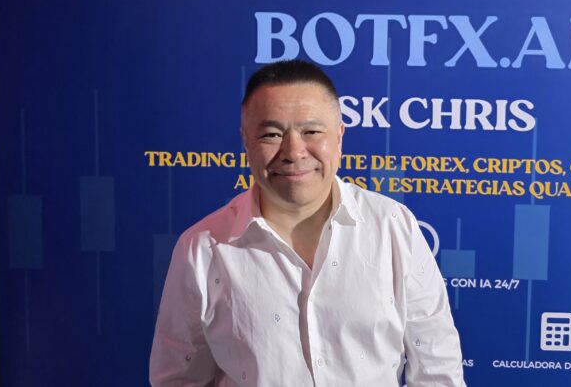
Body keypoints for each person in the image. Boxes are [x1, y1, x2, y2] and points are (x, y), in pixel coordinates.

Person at [149, 60, 464, 386]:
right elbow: (178, 379)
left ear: (339, 137)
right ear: (246, 142)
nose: (293, 151)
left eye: (311, 132)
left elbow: (437, 369)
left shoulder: (394, 227)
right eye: (271, 134)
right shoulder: (202, 248)